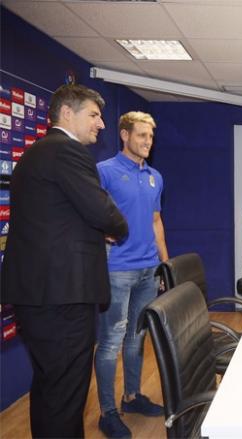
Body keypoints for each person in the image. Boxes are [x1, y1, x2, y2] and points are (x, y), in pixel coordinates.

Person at [0, 84, 128, 438]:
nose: (101, 124)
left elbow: (57, 218)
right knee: (66, 395)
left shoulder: (37, 154)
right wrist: (115, 226)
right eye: (94, 115)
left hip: (40, 294)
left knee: (50, 389)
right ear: (67, 114)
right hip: (62, 296)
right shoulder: (66, 152)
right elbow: (105, 213)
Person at [94, 111, 169, 438]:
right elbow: (89, 216)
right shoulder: (104, 172)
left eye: (150, 137)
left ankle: (132, 397)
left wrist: (165, 263)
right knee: (111, 342)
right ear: (124, 135)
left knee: (137, 339)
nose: (147, 142)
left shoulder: (155, 176)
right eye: (141, 136)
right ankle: (107, 413)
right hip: (117, 270)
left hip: (148, 269)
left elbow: (155, 222)